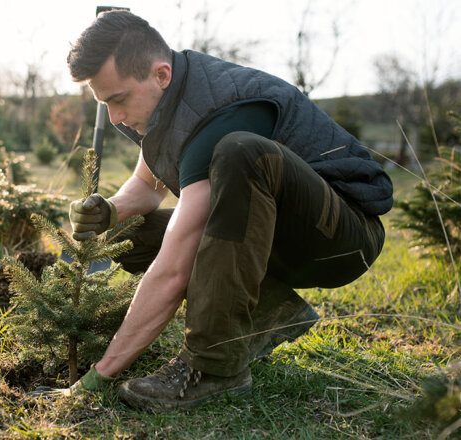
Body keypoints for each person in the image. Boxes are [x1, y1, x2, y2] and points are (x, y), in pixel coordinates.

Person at [58, 10, 393, 409]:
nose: (115, 118)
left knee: (241, 152)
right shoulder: (169, 98)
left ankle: (214, 367)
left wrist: (102, 373)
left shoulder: (216, 111)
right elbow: (148, 185)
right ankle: (269, 310)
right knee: (129, 234)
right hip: (275, 232)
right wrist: (110, 212)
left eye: (118, 100)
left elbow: (174, 267)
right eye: (104, 103)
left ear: (160, 75)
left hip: (340, 236)